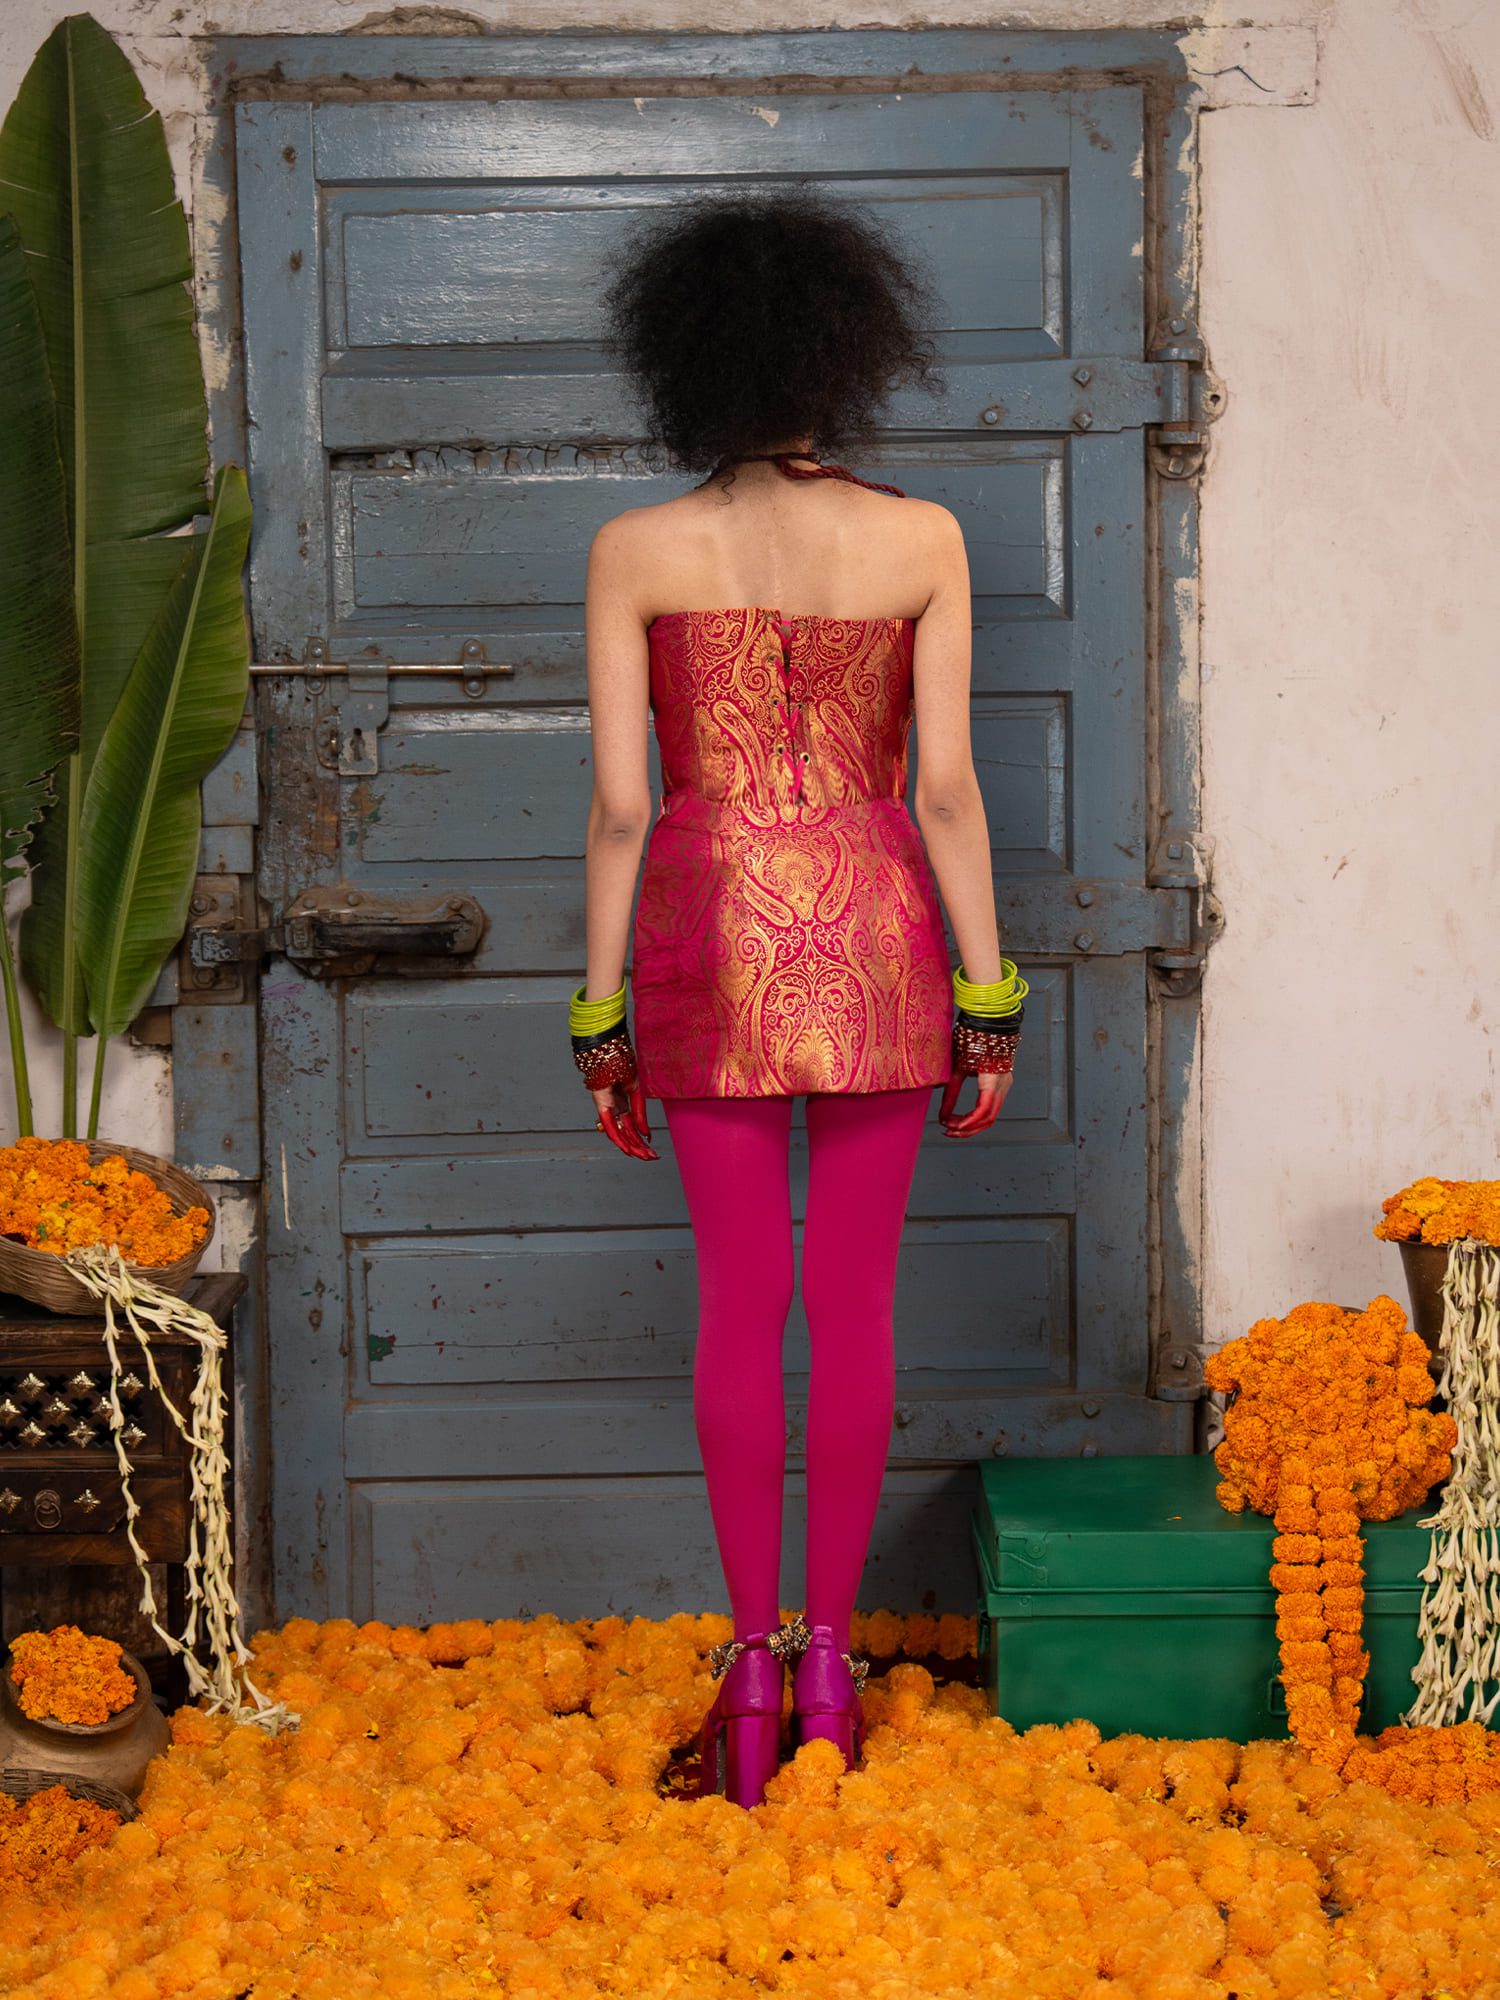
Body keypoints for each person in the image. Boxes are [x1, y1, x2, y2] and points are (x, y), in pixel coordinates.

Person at [570, 188, 1025, 1808]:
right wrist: (989, 994)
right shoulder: (921, 541)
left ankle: (749, 1675)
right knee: (855, 1305)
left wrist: (599, 1017)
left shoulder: (637, 551)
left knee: (738, 1302)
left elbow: (621, 808)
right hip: (882, 932)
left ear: (687, 361)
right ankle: (832, 1669)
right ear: (848, 353)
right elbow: (947, 787)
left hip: (705, 935)